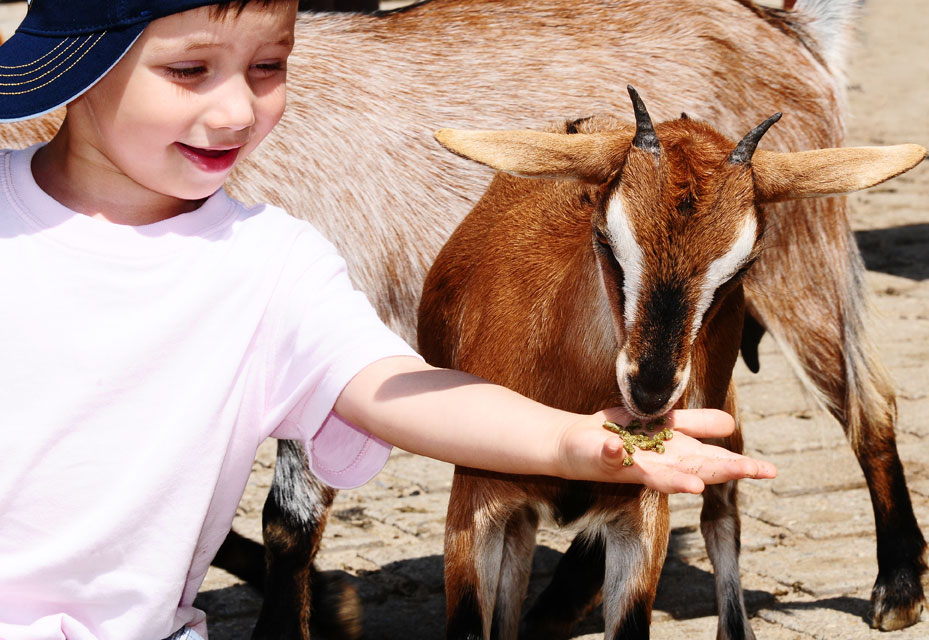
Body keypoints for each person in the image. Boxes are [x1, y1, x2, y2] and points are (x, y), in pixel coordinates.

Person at [0, 1, 777, 638]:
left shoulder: (269, 262)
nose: (238, 107)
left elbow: (389, 384)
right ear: (79, 63)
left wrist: (563, 438)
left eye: (268, 67)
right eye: (189, 71)